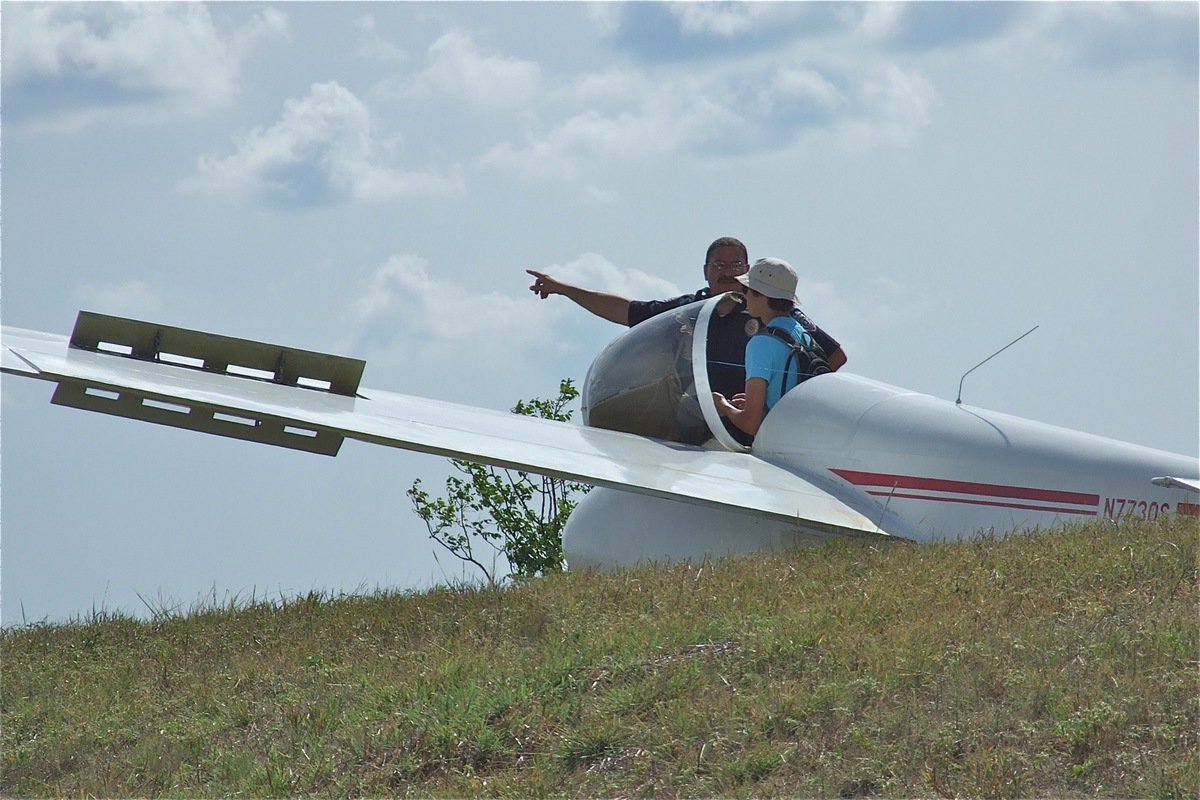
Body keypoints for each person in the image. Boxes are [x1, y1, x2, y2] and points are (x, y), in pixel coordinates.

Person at [712, 257, 823, 438]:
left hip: (778, 443)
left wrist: (723, 406)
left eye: (748, 290)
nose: (745, 295)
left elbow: (750, 424)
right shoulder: (802, 334)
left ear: (762, 295)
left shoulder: (761, 343)